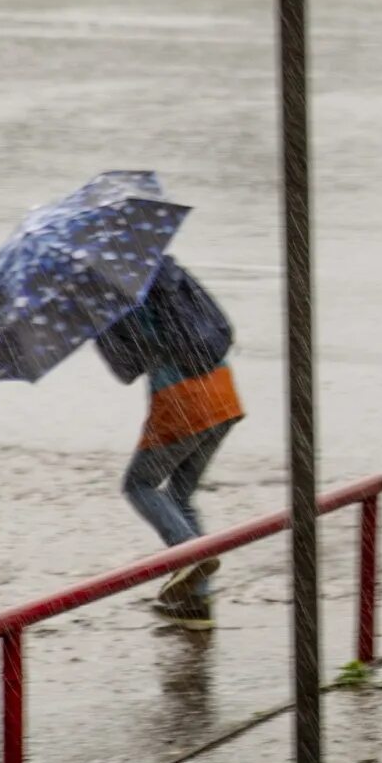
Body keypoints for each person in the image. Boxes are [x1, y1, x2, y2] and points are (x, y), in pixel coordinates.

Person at [97, 256, 243, 630]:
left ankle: (189, 558)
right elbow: (219, 324)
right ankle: (196, 603)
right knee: (180, 495)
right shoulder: (164, 265)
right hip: (223, 392)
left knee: (139, 485)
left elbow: (127, 367)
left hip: (181, 400)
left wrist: (97, 324)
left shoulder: (105, 292)